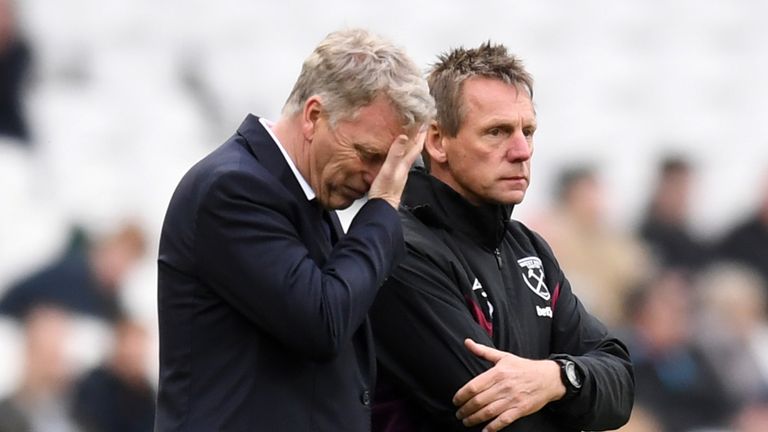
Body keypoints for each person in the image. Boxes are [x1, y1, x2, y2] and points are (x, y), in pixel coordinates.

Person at [156, 28, 433, 431]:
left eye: (387, 163)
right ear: (314, 116)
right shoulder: (232, 189)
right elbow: (322, 322)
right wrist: (383, 206)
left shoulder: (307, 196)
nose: (376, 176)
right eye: (368, 154)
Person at [369, 42, 633, 432]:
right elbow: (497, 417)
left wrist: (557, 378)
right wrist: (572, 391)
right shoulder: (400, 249)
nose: (522, 150)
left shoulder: (529, 250)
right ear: (437, 141)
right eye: (497, 132)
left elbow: (622, 382)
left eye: (528, 131)